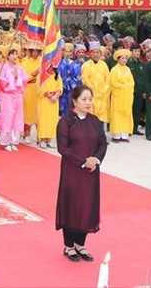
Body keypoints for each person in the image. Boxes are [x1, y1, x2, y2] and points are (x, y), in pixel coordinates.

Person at [56, 85, 108, 262]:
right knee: (72, 206)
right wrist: (83, 161)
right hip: (73, 170)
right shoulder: (66, 121)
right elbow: (63, 148)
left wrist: (96, 160)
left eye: (90, 99)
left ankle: (80, 244)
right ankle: (69, 246)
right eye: (84, 99)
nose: (88, 102)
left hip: (91, 172)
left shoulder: (95, 121)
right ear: (74, 101)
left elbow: (103, 143)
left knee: (87, 205)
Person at [0, 45, 26, 151]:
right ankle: (5, 141)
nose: (14, 56)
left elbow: (24, 80)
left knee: (16, 117)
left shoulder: (20, 68)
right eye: (12, 54)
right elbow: (0, 82)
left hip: (17, 96)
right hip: (7, 96)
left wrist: (18, 77)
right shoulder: (3, 67)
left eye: (15, 54)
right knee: (7, 118)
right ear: (7, 56)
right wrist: (11, 79)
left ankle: (14, 141)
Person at [81, 39, 110, 126]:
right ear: (89, 53)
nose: (95, 54)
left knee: (101, 119)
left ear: (100, 53)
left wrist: (104, 90)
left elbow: (108, 79)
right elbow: (85, 80)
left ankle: (100, 137)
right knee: (90, 116)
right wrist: (94, 91)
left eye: (97, 52)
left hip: (102, 96)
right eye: (93, 52)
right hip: (91, 96)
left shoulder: (104, 65)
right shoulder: (86, 65)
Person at [108, 48, 134, 143]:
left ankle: (124, 135)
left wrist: (127, 86)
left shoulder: (127, 69)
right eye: (122, 58)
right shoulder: (114, 70)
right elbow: (112, 83)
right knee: (117, 114)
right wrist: (123, 86)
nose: (124, 60)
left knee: (126, 114)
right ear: (118, 59)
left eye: (125, 58)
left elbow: (132, 82)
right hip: (118, 96)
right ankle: (116, 135)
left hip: (127, 96)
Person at [20, 43, 41, 144]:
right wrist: (33, 74)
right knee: (27, 113)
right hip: (28, 90)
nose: (35, 53)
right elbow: (23, 76)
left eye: (38, 51)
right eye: (34, 50)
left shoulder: (42, 61)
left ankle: (39, 135)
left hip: (39, 91)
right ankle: (27, 133)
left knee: (38, 113)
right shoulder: (24, 62)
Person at [37, 65, 62, 149]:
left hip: (54, 101)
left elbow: (60, 88)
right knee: (44, 119)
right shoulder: (42, 75)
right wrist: (49, 95)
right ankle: (42, 139)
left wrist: (55, 96)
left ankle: (49, 140)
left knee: (52, 120)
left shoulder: (57, 75)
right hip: (44, 100)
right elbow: (39, 88)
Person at [57, 43, 81, 118]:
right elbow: (57, 76)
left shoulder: (75, 64)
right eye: (65, 51)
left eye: (69, 51)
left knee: (72, 106)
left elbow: (78, 77)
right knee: (61, 108)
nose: (67, 53)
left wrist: (70, 81)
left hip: (71, 89)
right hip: (61, 89)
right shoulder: (59, 64)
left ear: (72, 52)